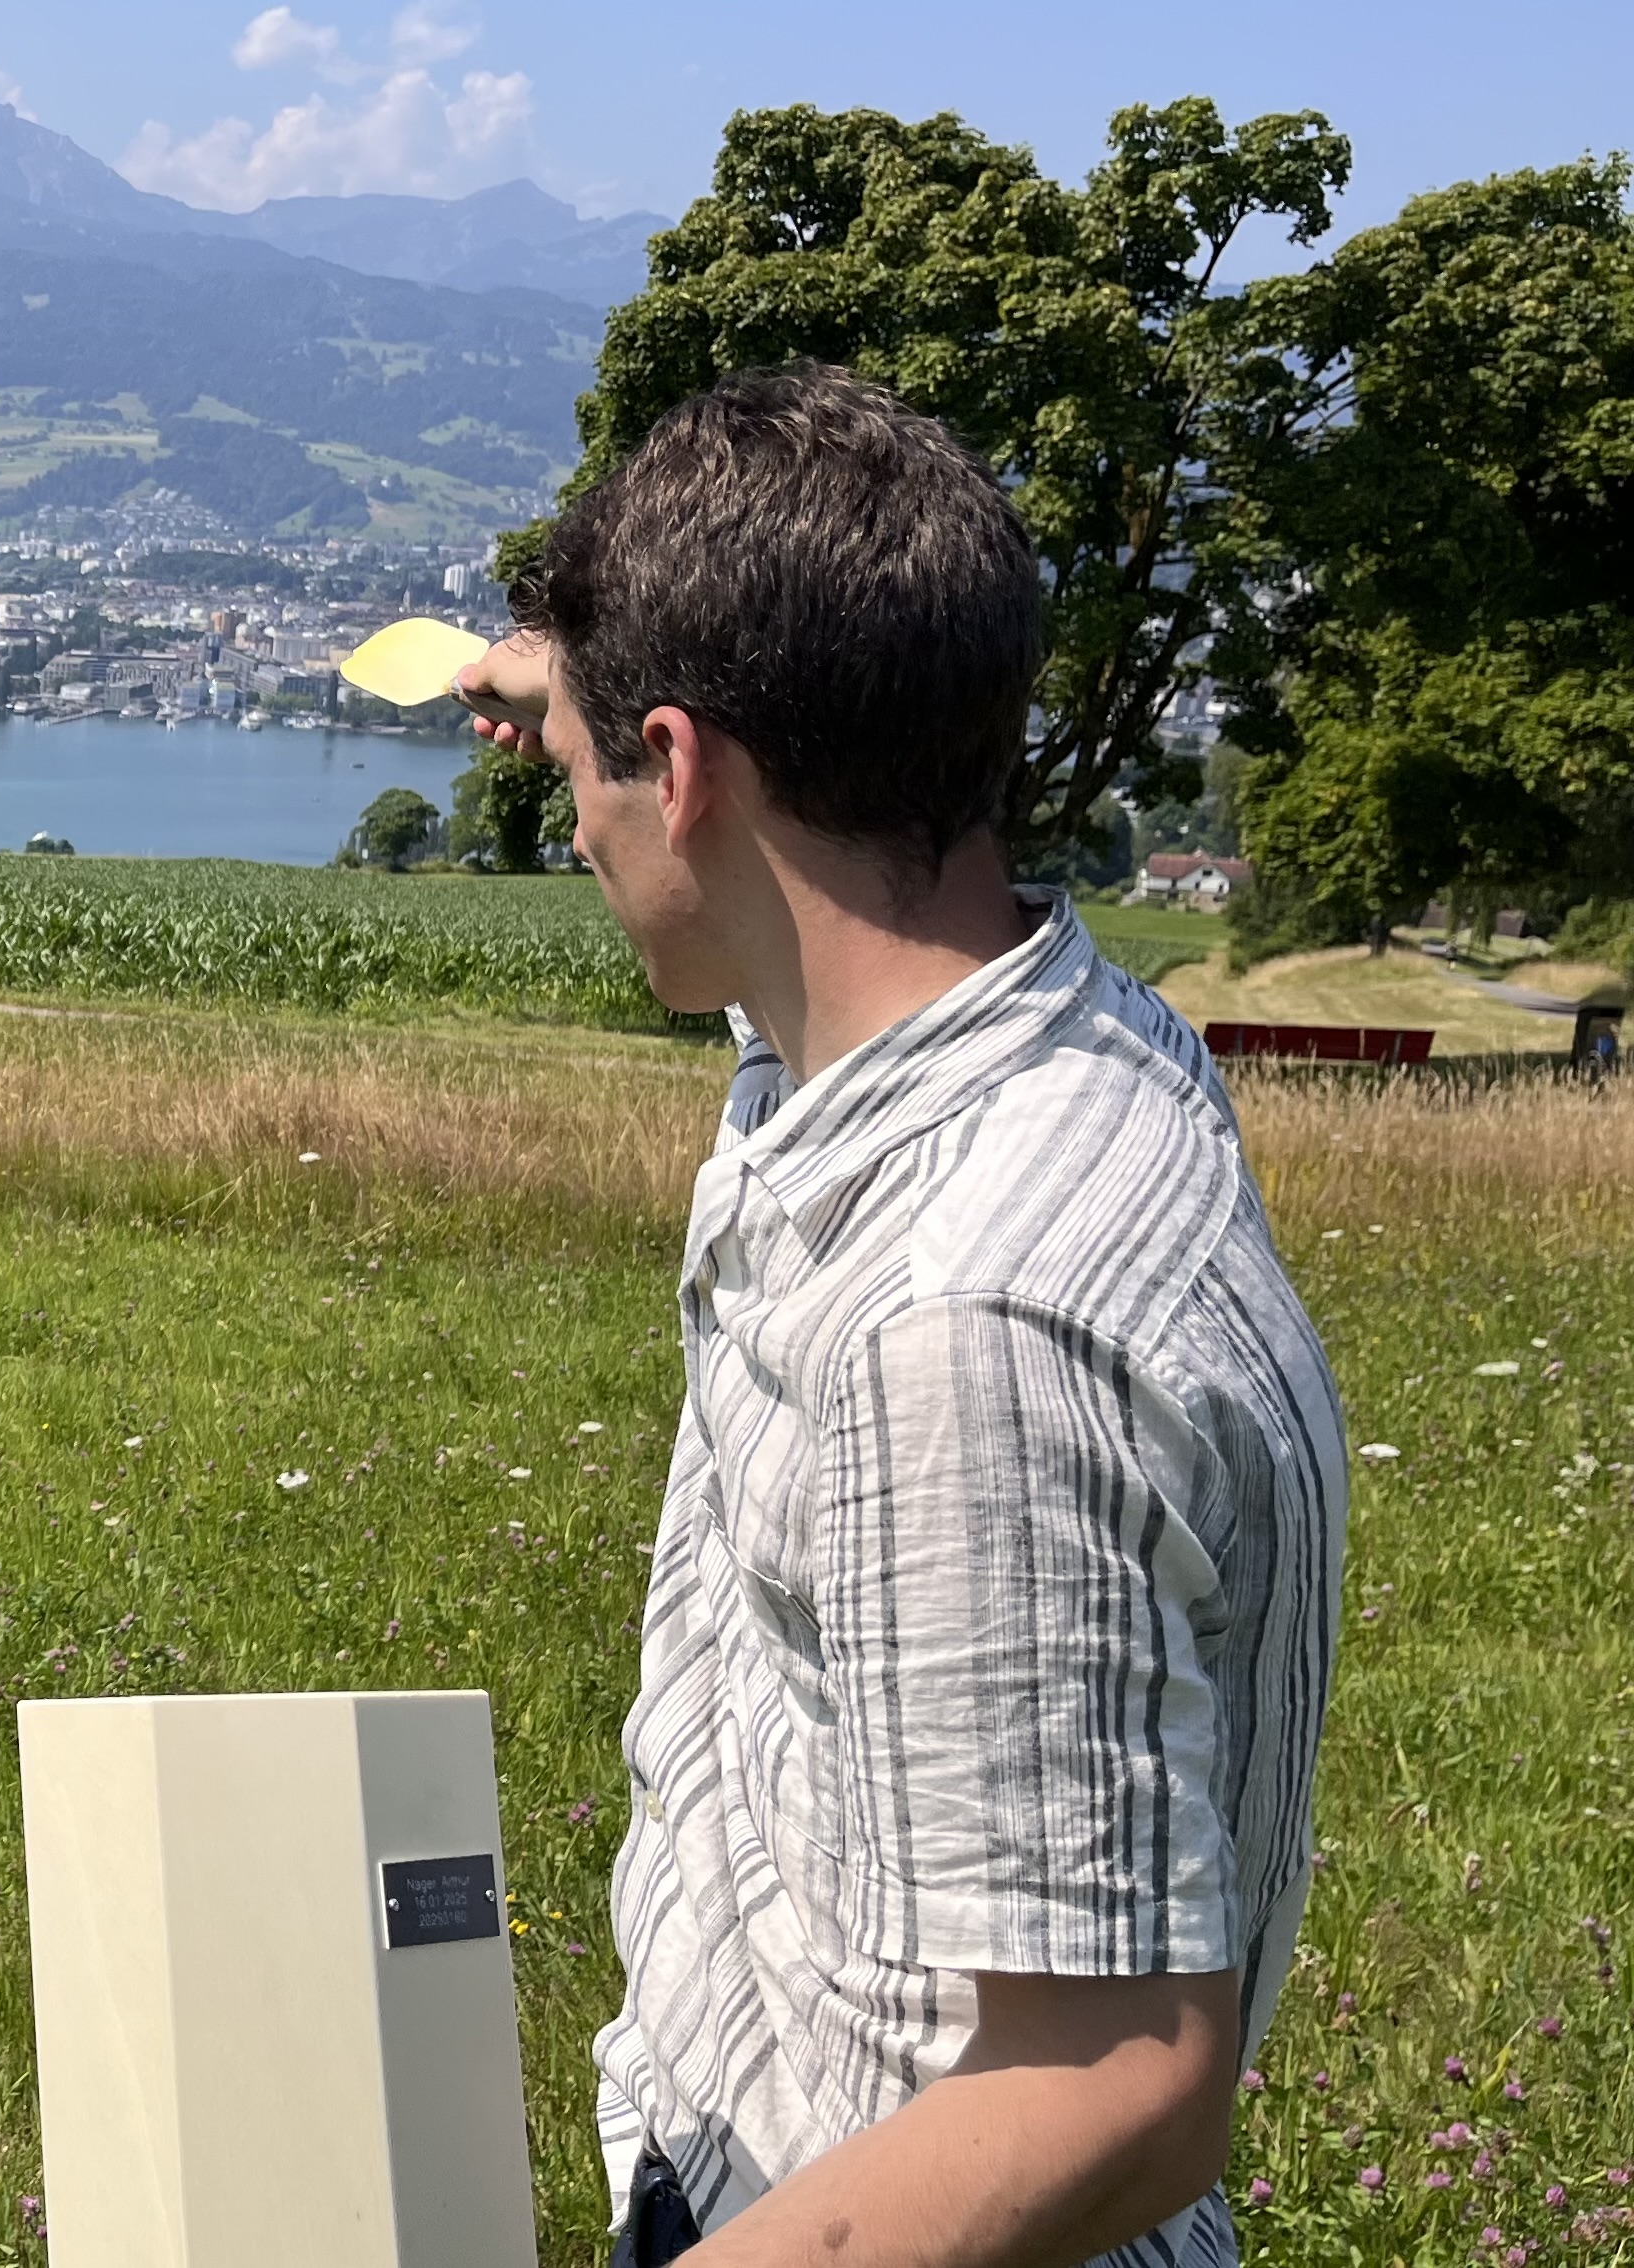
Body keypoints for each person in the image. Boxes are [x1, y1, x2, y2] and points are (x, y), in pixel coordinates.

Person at [452, 364, 1345, 2268]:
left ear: (684, 767)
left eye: (602, 769)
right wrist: (567, 680)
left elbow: (1107, 2079)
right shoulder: (1011, 1034)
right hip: (756, 2124)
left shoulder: (968, 1321)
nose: (582, 824)